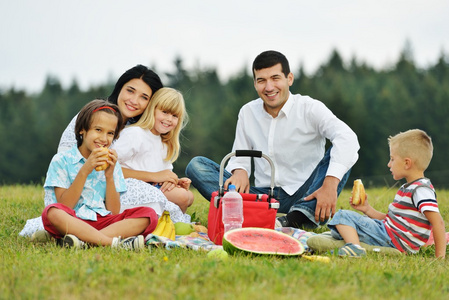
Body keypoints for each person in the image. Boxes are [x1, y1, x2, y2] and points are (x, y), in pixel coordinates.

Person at [186, 50, 359, 228]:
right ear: (255, 84)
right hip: (262, 197)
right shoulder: (247, 112)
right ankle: (254, 215)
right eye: (261, 80)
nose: (269, 87)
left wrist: (330, 184)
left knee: (343, 152)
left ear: (289, 79)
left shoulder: (310, 108)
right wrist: (240, 171)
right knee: (197, 166)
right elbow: (240, 157)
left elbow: (348, 138)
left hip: (306, 192)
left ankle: (300, 217)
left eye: (275, 78)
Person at [20, 65, 189, 240]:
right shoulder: (92, 116)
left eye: (144, 97)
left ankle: (85, 238)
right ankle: (105, 240)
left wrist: (166, 179)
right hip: (77, 196)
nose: (134, 100)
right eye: (130, 91)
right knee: (54, 213)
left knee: (150, 211)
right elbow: (67, 171)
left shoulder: (137, 129)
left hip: (105, 206)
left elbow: (115, 202)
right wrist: (154, 176)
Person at [42, 99, 158, 250]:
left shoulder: (111, 162)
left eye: (110, 133)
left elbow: (114, 211)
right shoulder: (62, 160)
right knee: (52, 212)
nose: (104, 139)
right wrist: (85, 170)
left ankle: (84, 241)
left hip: (101, 220)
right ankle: (112, 243)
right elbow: (65, 205)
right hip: (72, 221)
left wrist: (110, 176)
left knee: (149, 215)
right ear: (82, 130)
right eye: (98, 130)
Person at [327, 129, 446, 258]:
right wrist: (367, 209)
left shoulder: (420, 190)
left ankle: (355, 249)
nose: (389, 164)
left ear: (407, 163)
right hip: (391, 236)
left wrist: (440, 257)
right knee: (341, 228)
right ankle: (353, 243)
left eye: (392, 159)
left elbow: (438, 223)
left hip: (393, 240)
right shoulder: (409, 188)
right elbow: (390, 221)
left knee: (343, 216)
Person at [112, 87, 194, 213]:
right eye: (165, 112)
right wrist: (155, 177)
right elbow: (110, 168)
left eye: (174, 116)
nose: (169, 119)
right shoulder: (135, 133)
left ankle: (169, 223)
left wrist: (174, 182)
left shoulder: (164, 143)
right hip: (129, 189)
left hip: (152, 187)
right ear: (153, 110)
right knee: (182, 197)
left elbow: (164, 175)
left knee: (189, 196)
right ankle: (172, 224)